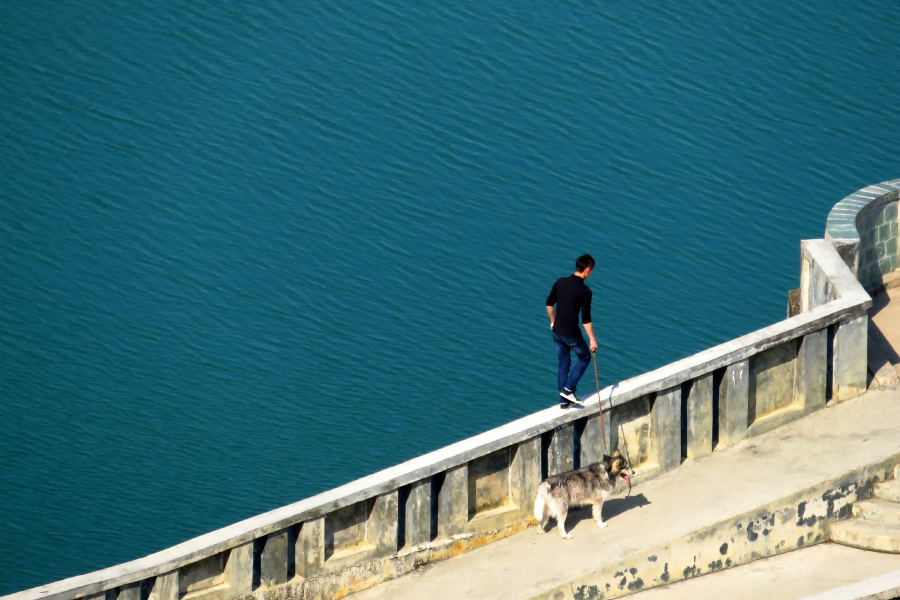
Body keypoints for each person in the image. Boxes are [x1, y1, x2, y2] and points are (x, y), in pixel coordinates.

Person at [546, 254, 597, 409]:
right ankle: (569, 389)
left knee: (563, 364)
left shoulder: (560, 282)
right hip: (572, 335)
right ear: (587, 270)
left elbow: (549, 304)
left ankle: (563, 402)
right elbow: (586, 319)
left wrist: (553, 321)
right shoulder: (585, 291)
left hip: (557, 333)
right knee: (585, 357)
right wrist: (592, 339)